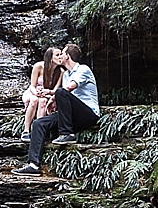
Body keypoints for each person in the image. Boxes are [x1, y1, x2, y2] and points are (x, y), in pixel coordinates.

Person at [14, 43, 99, 176]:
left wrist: (54, 97)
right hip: (71, 116)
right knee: (38, 123)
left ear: (68, 56)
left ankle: (66, 134)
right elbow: (63, 94)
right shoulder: (65, 75)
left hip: (88, 113)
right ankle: (33, 164)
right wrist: (53, 100)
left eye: (62, 53)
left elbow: (69, 88)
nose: (61, 56)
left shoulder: (83, 69)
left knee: (61, 92)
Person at [19, 47, 64, 141]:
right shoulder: (38, 66)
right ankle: (26, 131)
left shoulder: (61, 72)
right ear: (50, 57)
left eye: (61, 54)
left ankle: (39, 131)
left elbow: (55, 90)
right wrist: (36, 93)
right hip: (33, 92)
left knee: (43, 101)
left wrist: (47, 93)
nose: (60, 57)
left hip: (47, 95)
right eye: (57, 55)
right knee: (34, 100)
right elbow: (32, 86)